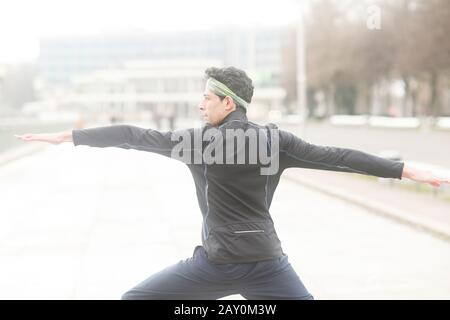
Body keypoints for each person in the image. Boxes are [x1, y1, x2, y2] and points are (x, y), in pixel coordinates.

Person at [15, 66, 450, 300]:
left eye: (207, 97)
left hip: (216, 264)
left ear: (228, 101)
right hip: (267, 263)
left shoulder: (195, 143)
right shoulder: (276, 141)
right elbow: (340, 158)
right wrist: (410, 170)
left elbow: (130, 136)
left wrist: (68, 137)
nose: (200, 104)